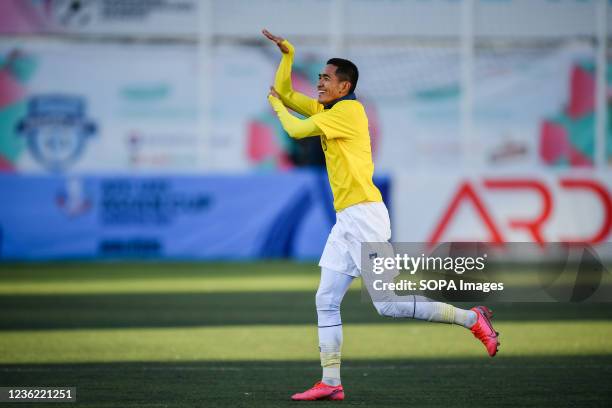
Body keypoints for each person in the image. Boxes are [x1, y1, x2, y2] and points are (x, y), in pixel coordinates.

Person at [262, 28, 500, 402]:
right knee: (325, 299)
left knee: (388, 304)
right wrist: (287, 56)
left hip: (366, 217)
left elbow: (292, 126)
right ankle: (331, 381)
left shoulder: (348, 112)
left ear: (344, 86)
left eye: (326, 78)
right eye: (320, 77)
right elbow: (291, 95)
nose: (319, 83)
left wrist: (275, 105)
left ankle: (473, 319)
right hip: (348, 219)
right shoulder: (332, 108)